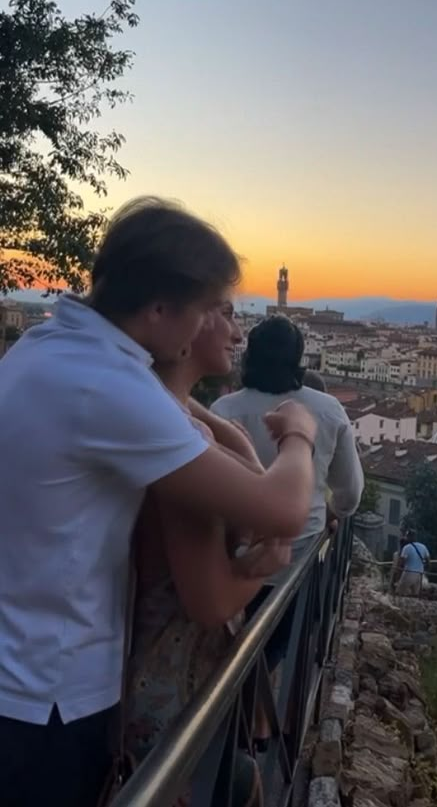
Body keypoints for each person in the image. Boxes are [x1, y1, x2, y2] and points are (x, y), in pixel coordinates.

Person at [0, 198, 317, 807]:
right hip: (49, 697)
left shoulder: (52, 348)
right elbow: (282, 510)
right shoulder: (105, 383)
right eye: (204, 310)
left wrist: (224, 431)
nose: (206, 326)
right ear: (158, 309)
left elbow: (179, 413)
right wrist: (299, 430)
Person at [126, 297, 292, 805]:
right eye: (224, 311)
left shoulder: (173, 421)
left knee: (241, 781)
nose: (238, 333)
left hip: (175, 682)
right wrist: (301, 440)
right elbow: (213, 602)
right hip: (163, 694)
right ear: (175, 318)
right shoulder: (176, 440)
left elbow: (243, 455)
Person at [212, 316, 364, 560]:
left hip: (237, 557)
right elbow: (351, 493)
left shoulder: (223, 411)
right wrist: (330, 513)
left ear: (249, 356)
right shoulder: (329, 409)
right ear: (298, 357)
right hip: (304, 555)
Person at [396, 530, 431, 596]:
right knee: (415, 594)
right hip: (419, 574)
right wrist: (425, 572)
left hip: (409, 572)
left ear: (409, 537)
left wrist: (397, 577)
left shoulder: (406, 548)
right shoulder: (423, 547)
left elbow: (401, 564)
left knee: (400, 592)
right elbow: (428, 562)